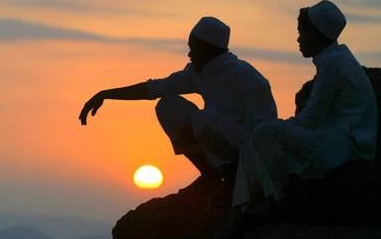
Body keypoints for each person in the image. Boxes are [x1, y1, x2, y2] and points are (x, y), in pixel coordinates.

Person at [79, 17, 277, 186]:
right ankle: (210, 176)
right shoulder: (199, 72)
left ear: (209, 50)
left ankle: (230, 176)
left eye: (194, 48)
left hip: (250, 150)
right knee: (168, 106)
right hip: (218, 138)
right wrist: (105, 94)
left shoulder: (246, 77)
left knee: (203, 119)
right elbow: (153, 89)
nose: (189, 54)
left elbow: (262, 131)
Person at [232, 0, 378, 208]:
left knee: (264, 133)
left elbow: (310, 120)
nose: (298, 39)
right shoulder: (339, 58)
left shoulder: (332, 63)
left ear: (317, 33)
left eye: (302, 32)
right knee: (257, 138)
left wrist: (283, 125)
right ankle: (257, 202)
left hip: (341, 147)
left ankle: (269, 200)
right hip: (343, 142)